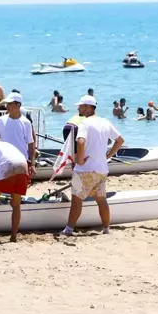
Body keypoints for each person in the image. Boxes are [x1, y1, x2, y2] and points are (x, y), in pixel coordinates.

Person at [61, 95, 125, 236]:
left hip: (85, 169)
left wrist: (81, 160)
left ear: (88, 107)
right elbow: (120, 141)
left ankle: (69, 229)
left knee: (76, 201)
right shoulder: (105, 122)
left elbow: (81, 142)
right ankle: (106, 228)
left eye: (81, 106)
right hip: (101, 168)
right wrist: (108, 156)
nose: (78, 108)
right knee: (101, 199)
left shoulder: (85, 124)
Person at [0, 92, 36, 178]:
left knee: (19, 190)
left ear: (18, 105)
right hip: (4, 162)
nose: (7, 106)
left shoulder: (26, 123)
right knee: (4, 190)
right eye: (7, 104)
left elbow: (31, 144)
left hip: (21, 163)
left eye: (10, 104)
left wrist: (33, 164)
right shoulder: (1, 120)